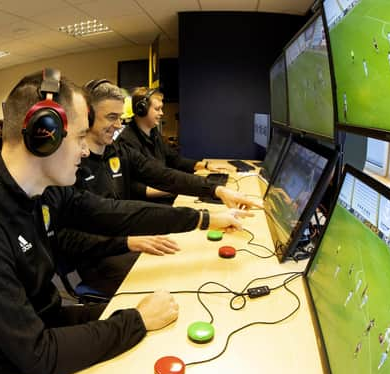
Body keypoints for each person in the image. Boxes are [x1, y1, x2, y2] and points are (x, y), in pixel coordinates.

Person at [0, 69, 250, 374]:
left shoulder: (43, 191)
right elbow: (38, 356)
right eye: (80, 137)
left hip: (49, 325)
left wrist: (204, 218)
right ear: (45, 135)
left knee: (166, 328)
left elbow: (115, 212)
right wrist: (136, 321)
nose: (86, 151)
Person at [59, 79, 261, 294]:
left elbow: (163, 175)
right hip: (100, 258)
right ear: (88, 117)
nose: (118, 125)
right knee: (177, 280)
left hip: (129, 240)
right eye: (111, 117)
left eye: (119, 118)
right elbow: (96, 222)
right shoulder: (72, 167)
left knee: (188, 260)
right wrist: (129, 242)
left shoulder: (117, 150)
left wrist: (217, 190)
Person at [115, 87, 223, 203]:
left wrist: (206, 166)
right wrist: (181, 189)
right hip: (149, 205)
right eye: (157, 109)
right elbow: (133, 187)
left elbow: (175, 160)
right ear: (141, 110)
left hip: (166, 195)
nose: (162, 113)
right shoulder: (126, 141)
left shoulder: (154, 133)